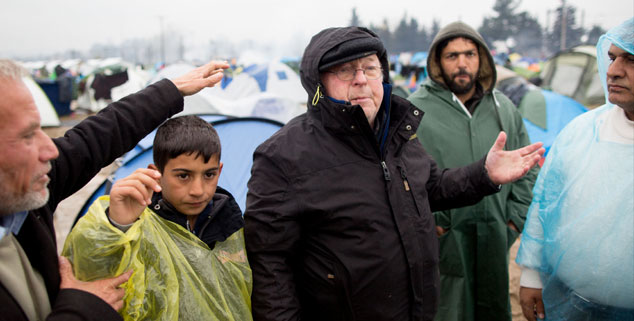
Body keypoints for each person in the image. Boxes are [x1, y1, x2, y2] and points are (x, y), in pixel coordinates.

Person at [244, 26, 544, 321]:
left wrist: (484, 174)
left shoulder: (397, 133)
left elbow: (431, 188)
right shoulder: (283, 155)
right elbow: (270, 264)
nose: (361, 79)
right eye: (346, 70)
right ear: (317, 81)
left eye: (370, 68)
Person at [0, 59, 229, 321]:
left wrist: (171, 90)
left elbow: (92, 139)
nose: (51, 150)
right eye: (28, 136)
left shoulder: (22, 192)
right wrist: (82, 307)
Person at [406, 21, 538, 321]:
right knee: (447, 311)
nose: (462, 63)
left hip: (496, 234)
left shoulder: (503, 107)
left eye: (469, 54)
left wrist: (514, 221)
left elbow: (528, 167)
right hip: (443, 242)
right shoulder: (415, 110)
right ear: (438, 62)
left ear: (483, 60)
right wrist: (434, 224)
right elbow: (404, 177)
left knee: (492, 308)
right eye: (452, 56)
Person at [62, 115, 252, 320]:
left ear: (219, 170)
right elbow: (90, 271)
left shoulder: (232, 224)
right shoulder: (138, 223)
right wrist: (116, 224)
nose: (198, 191)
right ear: (156, 173)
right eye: (183, 176)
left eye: (209, 175)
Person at [516, 18, 634, 321]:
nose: (613, 71)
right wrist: (530, 275)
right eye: (612, 58)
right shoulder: (582, 132)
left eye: (630, 59)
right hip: (571, 304)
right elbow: (546, 203)